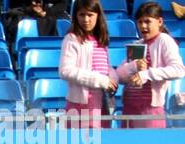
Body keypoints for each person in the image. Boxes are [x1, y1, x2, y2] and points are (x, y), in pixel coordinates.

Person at [116, 2, 184, 129]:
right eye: (140, 22)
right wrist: (133, 66)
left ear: (159, 21)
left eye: (147, 21)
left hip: (151, 110)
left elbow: (179, 70)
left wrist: (146, 74)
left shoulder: (165, 40)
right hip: (129, 108)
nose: (143, 26)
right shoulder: (137, 44)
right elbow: (119, 76)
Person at [59, 0, 117, 130]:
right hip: (80, 105)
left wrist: (113, 79)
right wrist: (101, 80)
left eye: (90, 15)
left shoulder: (100, 39)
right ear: (75, 16)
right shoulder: (72, 39)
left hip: (102, 103)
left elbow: (105, 67)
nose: (86, 19)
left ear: (98, 16)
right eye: (81, 15)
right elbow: (65, 70)